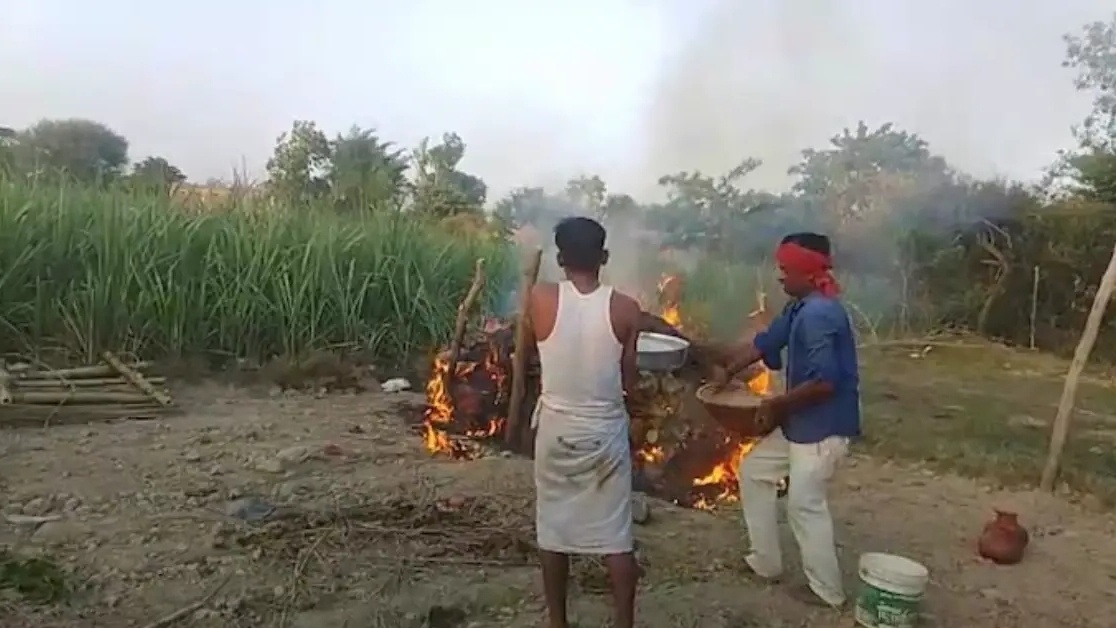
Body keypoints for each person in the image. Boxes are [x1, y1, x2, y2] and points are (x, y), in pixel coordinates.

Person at [713, 231, 861, 609]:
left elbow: (824, 383)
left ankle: (827, 591)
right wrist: (728, 371)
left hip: (824, 428)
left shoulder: (820, 315)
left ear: (808, 274)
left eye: (785, 269)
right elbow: (766, 342)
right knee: (755, 471)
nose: (780, 277)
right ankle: (765, 562)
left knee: (804, 504)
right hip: (802, 423)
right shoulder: (800, 308)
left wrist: (777, 406)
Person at [527, 216, 643, 628]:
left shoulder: (538, 299)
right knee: (616, 536)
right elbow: (629, 379)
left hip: (556, 431)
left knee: (554, 528)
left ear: (559, 258)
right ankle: (624, 622)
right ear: (604, 257)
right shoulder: (627, 309)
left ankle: (558, 621)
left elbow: (529, 351)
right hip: (604, 434)